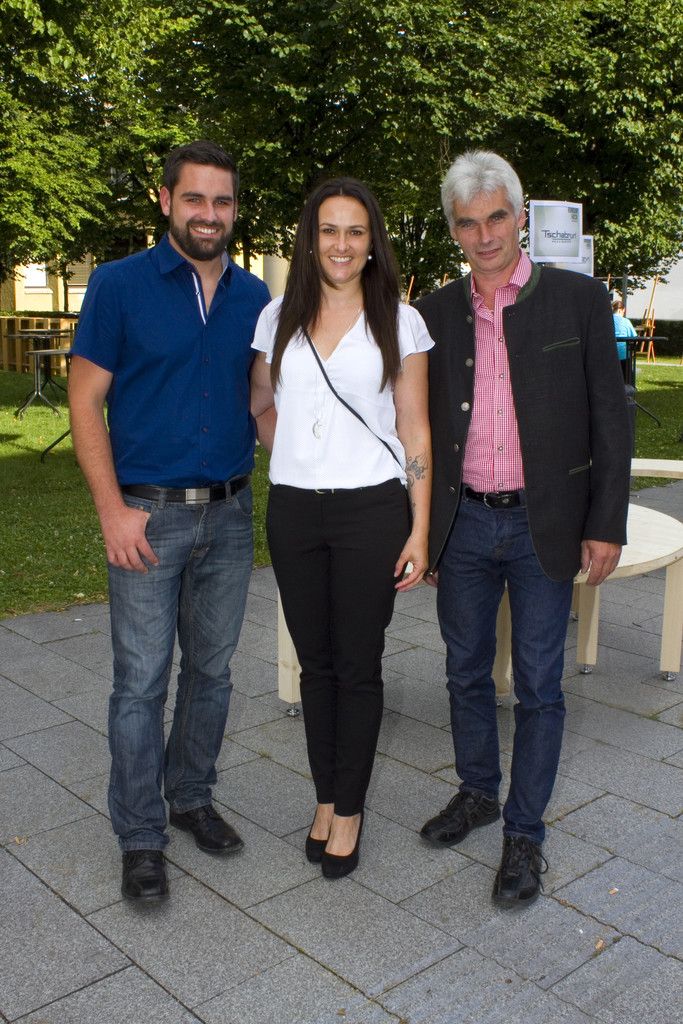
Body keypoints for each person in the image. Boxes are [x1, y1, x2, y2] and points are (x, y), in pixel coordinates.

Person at [415, 151, 631, 907]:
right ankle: (477, 792)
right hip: (464, 524)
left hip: (546, 526)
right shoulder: (435, 313)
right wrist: (426, 531)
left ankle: (523, 833)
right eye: (467, 224)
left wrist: (605, 523)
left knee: (540, 686)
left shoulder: (576, 298)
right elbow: (418, 429)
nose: (483, 236)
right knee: (464, 671)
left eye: (495, 218)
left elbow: (611, 416)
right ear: (454, 230)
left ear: (519, 216)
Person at [69, 140, 270, 901]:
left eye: (222, 201)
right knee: (140, 684)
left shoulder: (255, 297)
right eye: (194, 199)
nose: (209, 214)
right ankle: (140, 835)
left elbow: (262, 401)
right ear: (165, 201)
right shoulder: (119, 286)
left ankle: (189, 799)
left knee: (213, 673)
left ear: (234, 208)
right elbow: (85, 400)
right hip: (146, 517)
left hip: (229, 512)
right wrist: (111, 512)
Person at [250, 177, 432, 878]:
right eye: (329, 230)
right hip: (295, 508)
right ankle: (325, 795)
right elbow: (262, 402)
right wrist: (294, 448)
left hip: (370, 513)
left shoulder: (400, 321)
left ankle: (348, 809)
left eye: (355, 231)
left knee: (357, 666)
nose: (341, 244)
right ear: (309, 237)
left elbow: (414, 428)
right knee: (314, 663)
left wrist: (417, 530)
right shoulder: (276, 318)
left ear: (371, 243)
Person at [612, 297, 637, 380]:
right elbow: (634, 337)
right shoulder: (626, 321)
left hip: (609, 354)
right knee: (626, 376)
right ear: (621, 310)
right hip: (624, 355)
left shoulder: (606, 321)